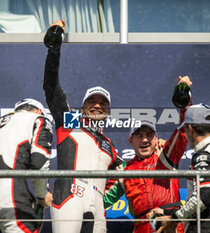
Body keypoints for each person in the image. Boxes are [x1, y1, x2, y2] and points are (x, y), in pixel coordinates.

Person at [43, 20, 123, 233]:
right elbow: (51, 88)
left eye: (103, 103)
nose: (97, 105)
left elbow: (131, 171)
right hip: (70, 195)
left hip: (98, 202)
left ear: (108, 110)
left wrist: (155, 147)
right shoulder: (69, 121)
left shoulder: (109, 144)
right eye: (92, 102)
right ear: (83, 107)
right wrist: (54, 48)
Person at [104, 76, 192, 233]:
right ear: (131, 141)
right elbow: (100, 200)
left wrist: (184, 100)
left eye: (149, 134)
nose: (145, 139)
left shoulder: (165, 155)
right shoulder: (123, 171)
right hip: (142, 228)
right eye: (139, 135)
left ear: (156, 138)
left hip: (170, 225)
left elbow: (184, 130)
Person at [0, 98, 54, 233]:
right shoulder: (38, 119)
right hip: (9, 193)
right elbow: (39, 163)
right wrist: (42, 195)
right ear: (38, 111)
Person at [149, 103, 210, 233]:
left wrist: (174, 218)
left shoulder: (204, 154)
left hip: (204, 227)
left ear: (190, 129)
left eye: (184, 130)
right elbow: (209, 199)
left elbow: (203, 197)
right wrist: (169, 212)